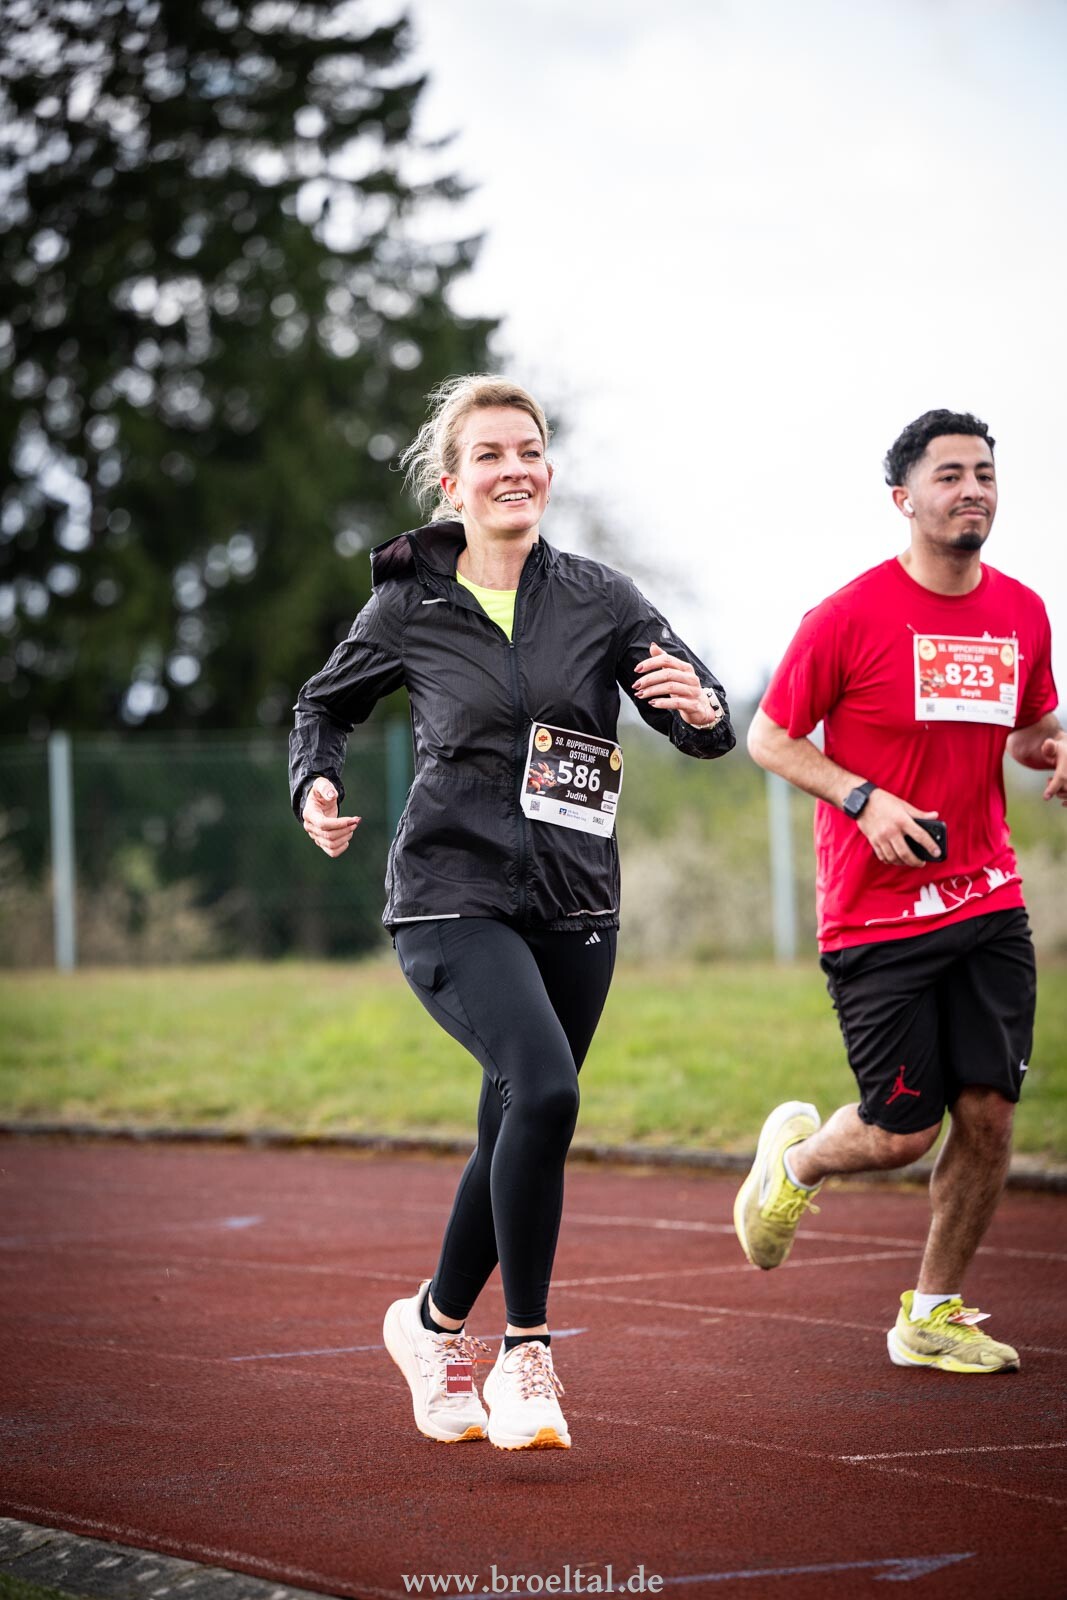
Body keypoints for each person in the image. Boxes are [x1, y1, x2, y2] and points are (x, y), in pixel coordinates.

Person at [290, 375, 735, 1448]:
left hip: (575, 900)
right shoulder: (408, 606)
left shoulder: (600, 598)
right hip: (449, 896)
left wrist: (705, 710)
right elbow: (323, 703)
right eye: (489, 454)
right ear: (452, 485)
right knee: (544, 1088)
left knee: (516, 1120)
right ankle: (524, 1352)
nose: (513, 469)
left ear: (548, 469)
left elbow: (698, 714)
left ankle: (431, 1324)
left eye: (528, 450)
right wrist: (315, 781)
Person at [736, 408, 1065, 1374]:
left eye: (984, 474)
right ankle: (795, 1163)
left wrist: (1053, 751)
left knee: (989, 1114)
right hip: (875, 914)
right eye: (949, 475)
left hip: (987, 896)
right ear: (903, 498)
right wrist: (862, 797)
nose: (971, 490)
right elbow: (769, 736)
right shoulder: (845, 616)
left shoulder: (1022, 611)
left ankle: (930, 1313)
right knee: (900, 1133)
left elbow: (1025, 730)